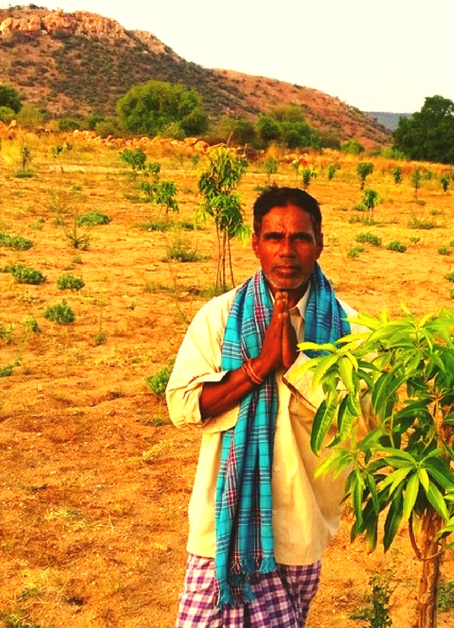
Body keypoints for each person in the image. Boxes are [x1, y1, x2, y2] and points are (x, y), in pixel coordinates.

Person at [166, 186, 358, 628]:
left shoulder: (347, 327)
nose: (286, 251)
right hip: (222, 527)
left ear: (319, 243)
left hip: (302, 524)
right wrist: (257, 368)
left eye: (300, 238)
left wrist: (295, 363)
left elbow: (361, 418)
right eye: (274, 237)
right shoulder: (218, 317)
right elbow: (181, 403)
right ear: (255, 243)